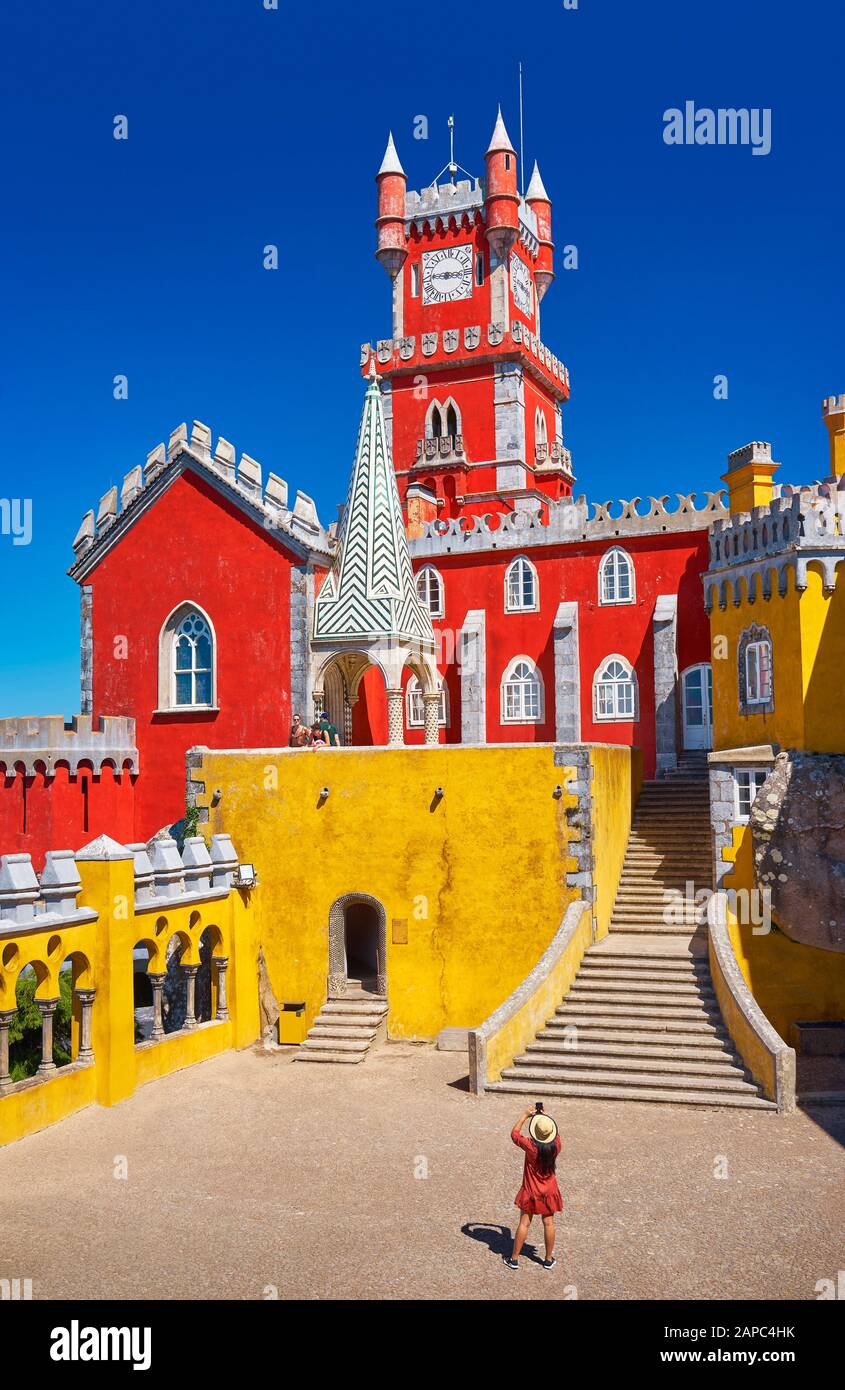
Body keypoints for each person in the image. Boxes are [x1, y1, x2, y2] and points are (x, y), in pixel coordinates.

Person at [503, 1106, 562, 1271]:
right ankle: (548, 1259)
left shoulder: (530, 1146)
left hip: (531, 1191)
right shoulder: (556, 1145)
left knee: (524, 1223)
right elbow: (555, 1134)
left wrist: (524, 1116)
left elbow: (514, 1135)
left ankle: (514, 1259)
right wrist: (546, 1118)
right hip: (549, 1190)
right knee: (548, 1223)